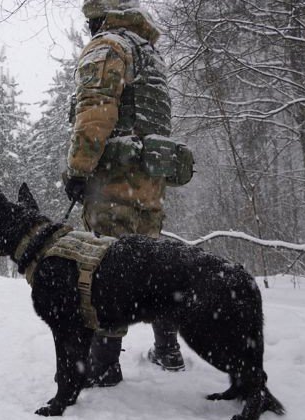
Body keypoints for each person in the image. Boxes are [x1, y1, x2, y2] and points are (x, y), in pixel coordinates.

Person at [63, 0, 192, 386]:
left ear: (98, 17)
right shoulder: (149, 54)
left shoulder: (109, 46)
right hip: (150, 180)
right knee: (150, 262)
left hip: (115, 179)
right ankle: (168, 349)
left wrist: (77, 169)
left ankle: (103, 365)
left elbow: (95, 113)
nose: (88, 28)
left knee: (108, 267)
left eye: (89, 21)